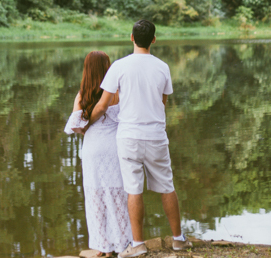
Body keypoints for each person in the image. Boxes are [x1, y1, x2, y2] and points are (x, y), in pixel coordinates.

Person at [86, 20, 191, 257]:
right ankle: (178, 240)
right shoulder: (163, 67)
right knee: (167, 186)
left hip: (128, 137)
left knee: (134, 190)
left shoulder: (119, 67)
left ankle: (138, 245)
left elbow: (102, 106)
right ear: (154, 39)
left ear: (131, 37)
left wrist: (85, 124)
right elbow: (162, 103)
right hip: (155, 136)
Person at [65, 50, 133, 256]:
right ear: (107, 68)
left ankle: (102, 246)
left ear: (87, 69)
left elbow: (77, 127)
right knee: (118, 194)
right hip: (114, 148)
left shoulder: (82, 94)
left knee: (95, 196)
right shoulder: (116, 92)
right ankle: (122, 244)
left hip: (93, 150)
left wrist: (87, 122)